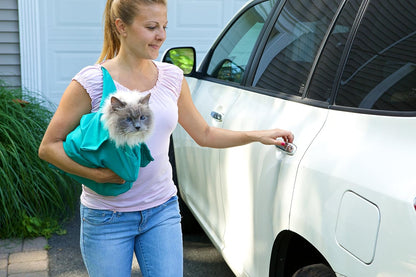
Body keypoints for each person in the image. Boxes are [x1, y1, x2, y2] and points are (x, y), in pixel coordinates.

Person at [38, 0, 294, 276]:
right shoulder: (92, 82)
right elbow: (49, 147)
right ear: (121, 27)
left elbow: (204, 134)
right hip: (106, 217)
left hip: (161, 211)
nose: (161, 35)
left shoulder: (172, 77)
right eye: (151, 27)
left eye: (164, 26)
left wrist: (257, 135)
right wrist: (97, 176)